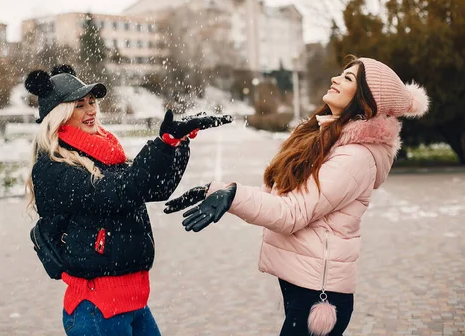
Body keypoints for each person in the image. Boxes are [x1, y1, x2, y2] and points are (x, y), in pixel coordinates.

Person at [164, 56, 430, 336]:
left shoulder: (355, 157)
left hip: (319, 298)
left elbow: (292, 213)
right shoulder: (327, 140)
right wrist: (216, 191)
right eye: (341, 74)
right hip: (303, 288)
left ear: (366, 102)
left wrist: (232, 197)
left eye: (348, 78)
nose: (335, 79)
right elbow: (280, 198)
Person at [24, 64, 232, 336]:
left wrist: (176, 145)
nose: (91, 110)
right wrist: (163, 144)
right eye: (79, 105)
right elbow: (120, 191)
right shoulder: (53, 168)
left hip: (133, 302)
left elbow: (157, 188)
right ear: (59, 115)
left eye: (92, 102)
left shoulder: (103, 154)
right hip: (97, 308)